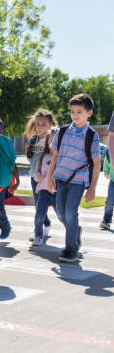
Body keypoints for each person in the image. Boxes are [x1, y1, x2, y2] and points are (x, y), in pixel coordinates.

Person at [47, 93, 101, 263]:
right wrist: (49, 178)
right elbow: (54, 156)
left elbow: (97, 163)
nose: (75, 115)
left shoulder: (92, 136)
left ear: (89, 113)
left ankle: (71, 249)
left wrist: (92, 188)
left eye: (79, 111)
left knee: (71, 212)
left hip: (78, 180)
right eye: (72, 111)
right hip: (61, 178)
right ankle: (75, 230)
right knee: (62, 214)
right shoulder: (63, 131)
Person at [24, 109, 58, 240]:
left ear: (51, 125)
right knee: (37, 204)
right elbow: (29, 158)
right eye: (38, 124)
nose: (40, 127)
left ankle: (38, 230)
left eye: (44, 124)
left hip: (47, 179)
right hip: (34, 176)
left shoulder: (51, 140)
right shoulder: (32, 140)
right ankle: (46, 224)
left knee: (45, 205)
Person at [32, 130, 58, 245]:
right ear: (47, 142)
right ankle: (38, 235)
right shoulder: (42, 157)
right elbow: (35, 173)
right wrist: (39, 177)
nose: (53, 142)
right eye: (50, 140)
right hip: (43, 190)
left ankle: (73, 233)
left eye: (55, 140)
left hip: (57, 192)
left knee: (63, 216)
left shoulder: (61, 157)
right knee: (39, 214)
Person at [101, 144, 113, 230]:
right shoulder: (110, 150)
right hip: (113, 181)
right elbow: (107, 160)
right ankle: (106, 221)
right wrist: (105, 171)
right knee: (109, 201)